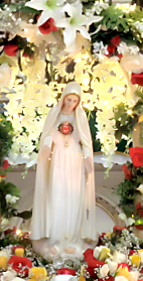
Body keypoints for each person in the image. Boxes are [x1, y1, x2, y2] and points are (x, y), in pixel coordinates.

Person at [31, 82, 97, 257]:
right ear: (63, 98)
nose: (71, 104)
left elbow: (85, 141)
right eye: (69, 100)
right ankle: (55, 240)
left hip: (75, 160)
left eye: (75, 101)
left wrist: (87, 157)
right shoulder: (55, 114)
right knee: (58, 197)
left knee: (74, 198)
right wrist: (46, 146)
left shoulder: (80, 117)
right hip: (58, 160)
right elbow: (48, 135)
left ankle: (73, 241)